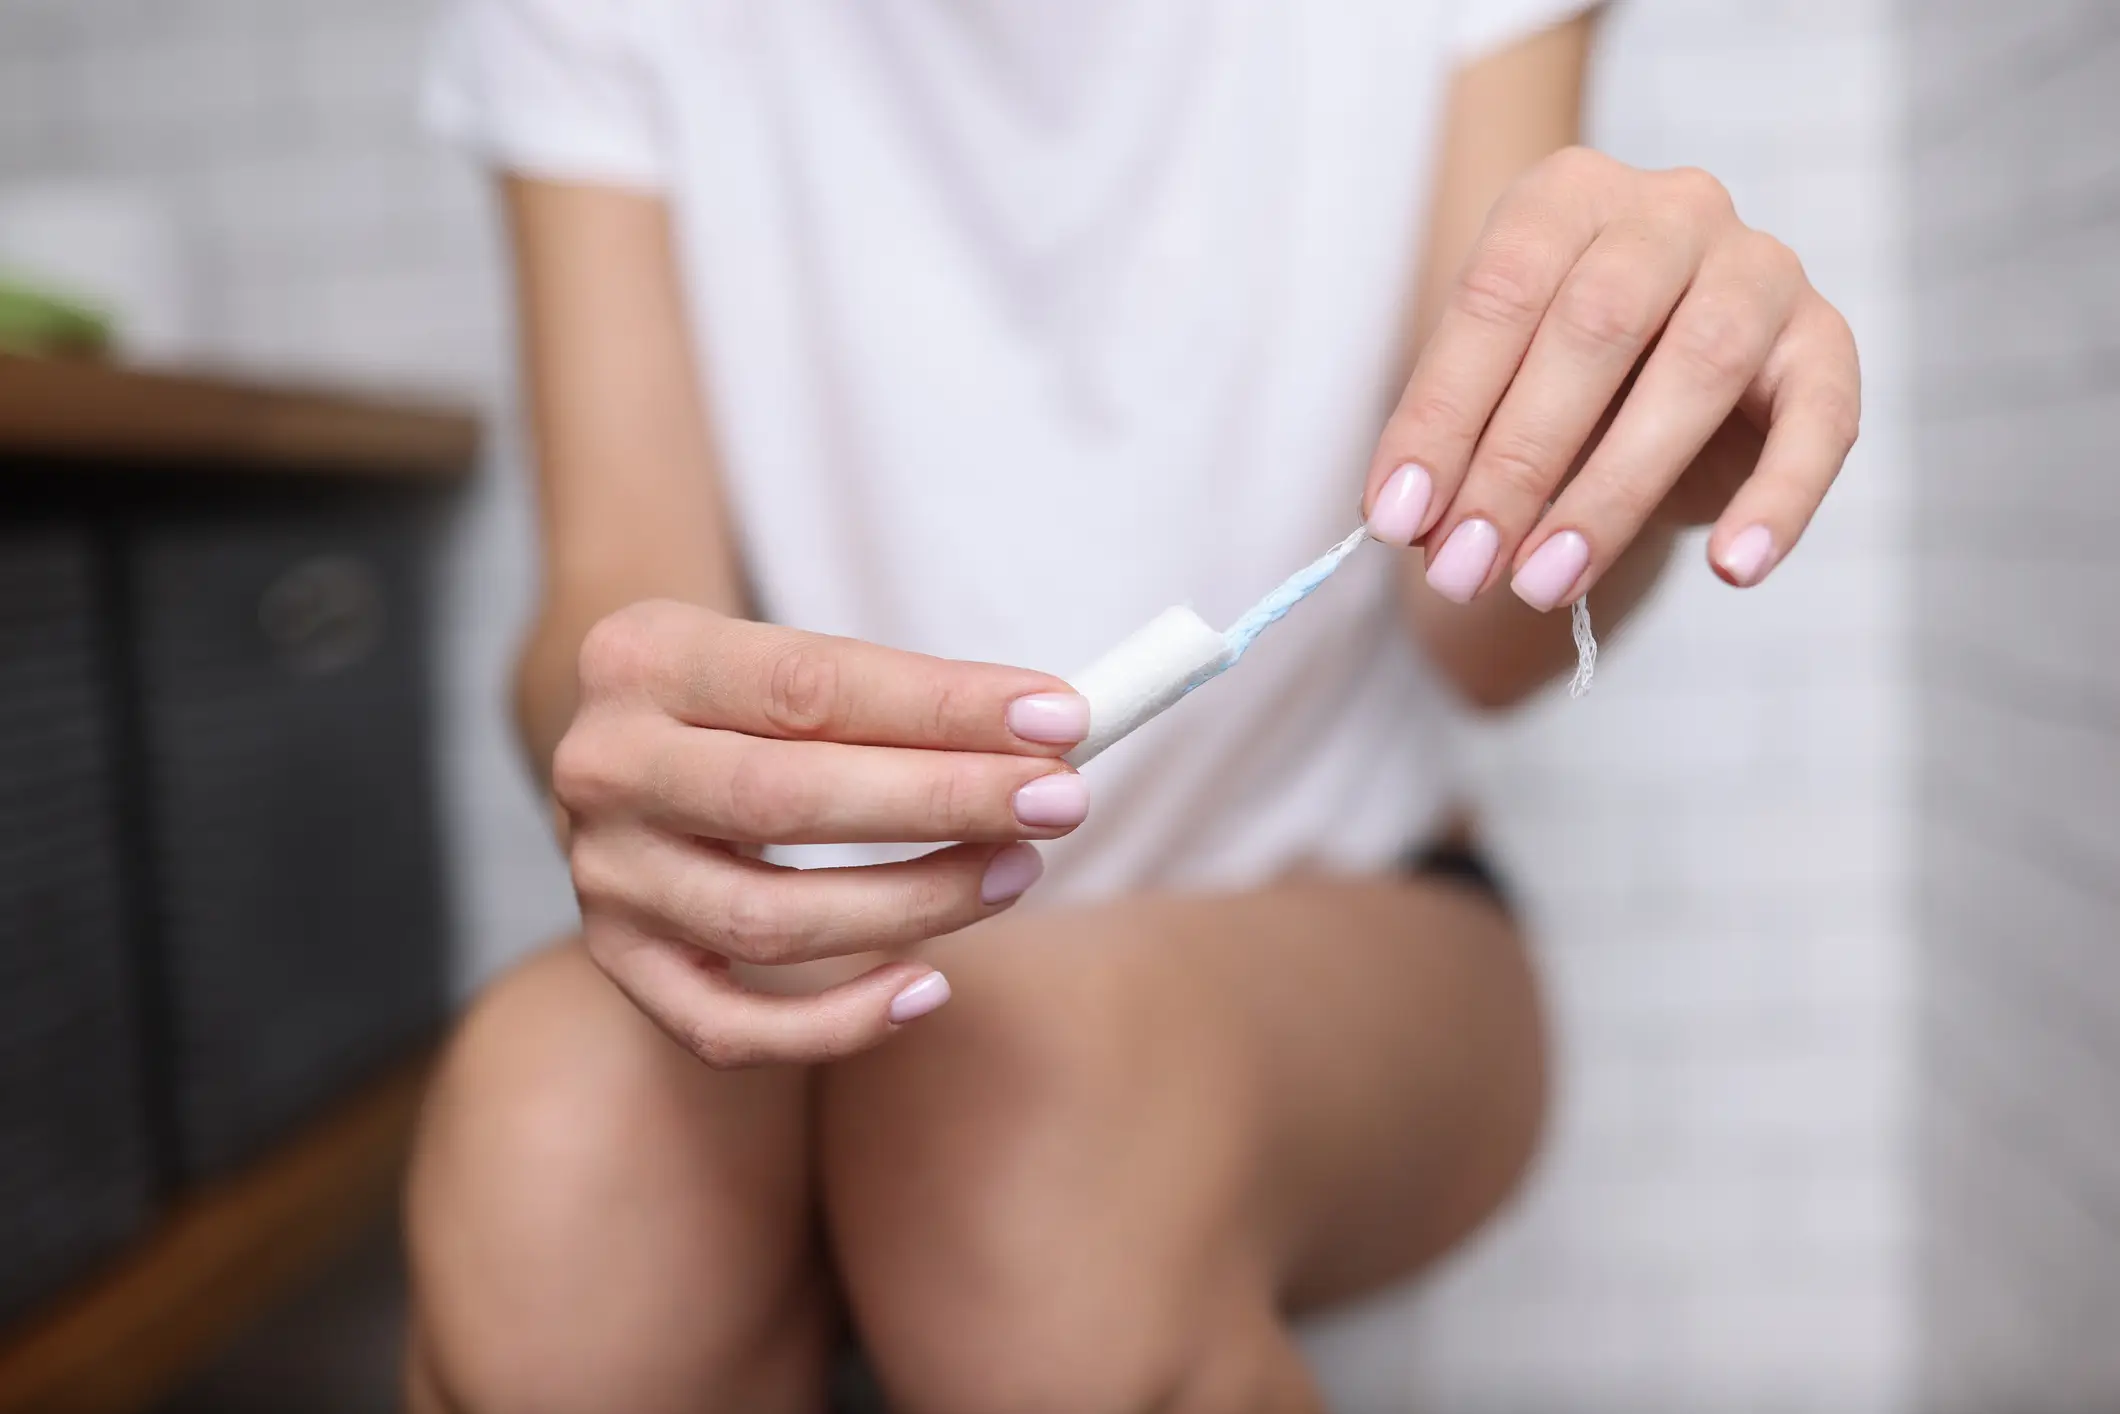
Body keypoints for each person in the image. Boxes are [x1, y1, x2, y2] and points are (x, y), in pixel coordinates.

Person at [407, 1, 1860, 1409]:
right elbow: (616, 592)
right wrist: (646, 746)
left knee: (1019, 1167)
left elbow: (1478, 639)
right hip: (821, 938)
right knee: (546, 1161)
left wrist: (1617, 459)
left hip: (1343, 912)